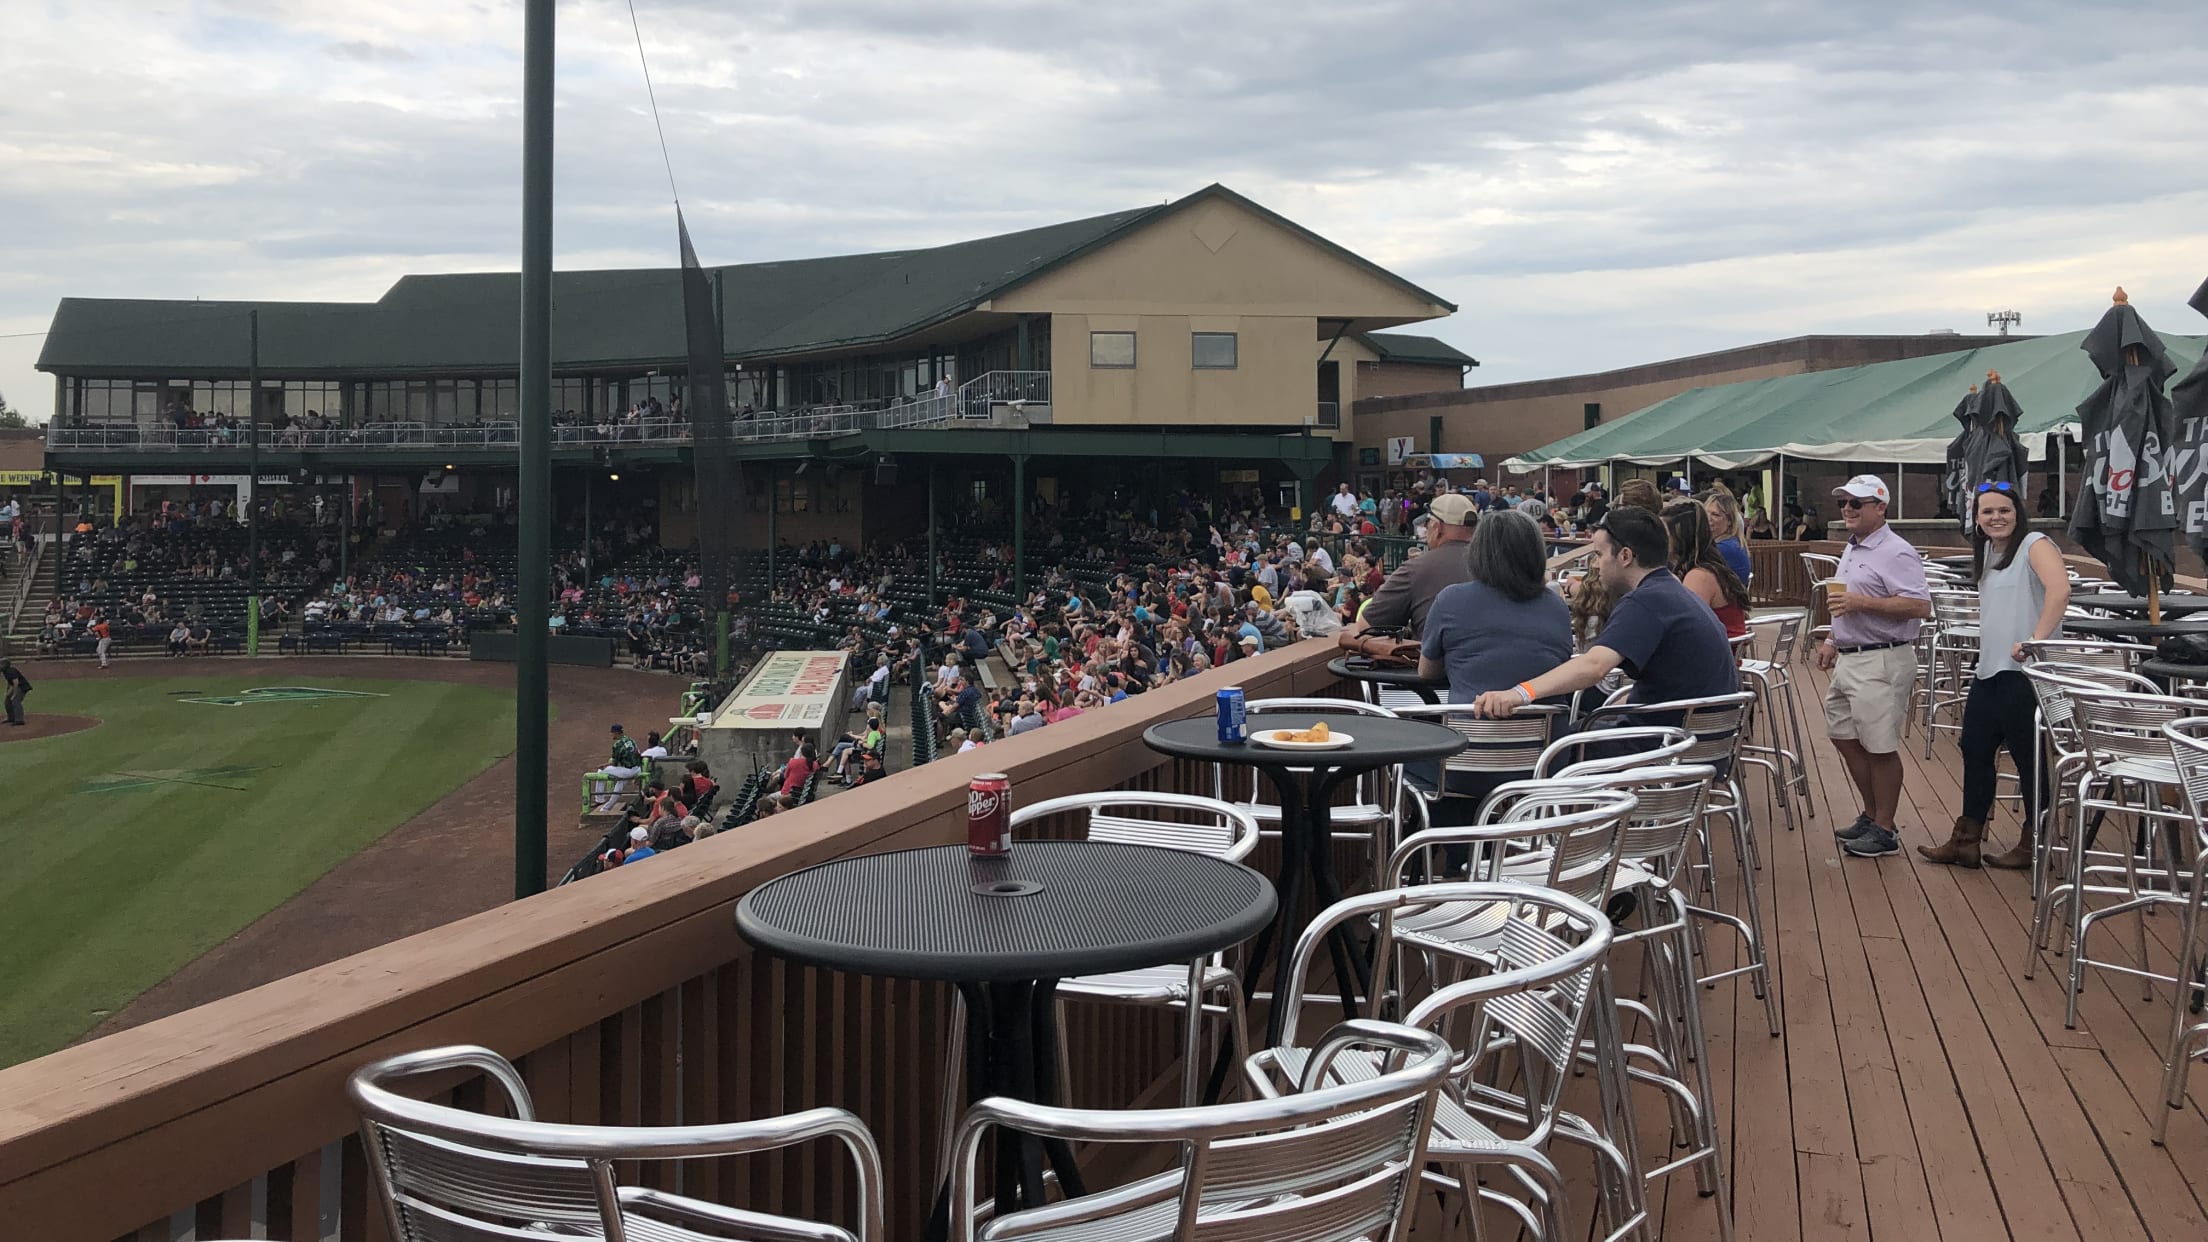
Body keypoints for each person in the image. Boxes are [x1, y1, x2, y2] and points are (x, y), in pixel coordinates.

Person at [1471, 506, 1737, 725]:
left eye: (1598, 554)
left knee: (1549, 749)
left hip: (1660, 746)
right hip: (1700, 743)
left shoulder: (1646, 601)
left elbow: (1594, 666)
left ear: (1625, 556)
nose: (1595, 565)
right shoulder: (1674, 591)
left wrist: (1519, 693)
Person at [1919, 481, 2069, 869]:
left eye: (2003, 510)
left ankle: (2037, 841)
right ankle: (1966, 839)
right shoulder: (1988, 551)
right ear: (1977, 519)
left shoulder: (2035, 543)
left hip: (2027, 673)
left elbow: (2059, 590)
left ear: (2018, 512)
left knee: (2028, 758)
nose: (1996, 517)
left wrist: (2035, 640)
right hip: (1990, 669)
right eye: (1987, 511)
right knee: (1974, 748)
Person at [1417, 511, 1575, 815]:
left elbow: (1427, 671)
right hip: (1543, 765)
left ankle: (1444, 851)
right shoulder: (1555, 606)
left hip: (1467, 762)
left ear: (1479, 553)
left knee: (1416, 762)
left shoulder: (1451, 600)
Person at [1818, 476, 1932, 859]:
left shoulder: (1896, 551)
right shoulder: (1854, 548)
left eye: (1857, 503)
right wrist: (1833, 639)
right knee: (1843, 735)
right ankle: (1872, 814)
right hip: (1853, 655)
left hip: (1883, 656)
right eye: (1843, 504)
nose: (1848, 510)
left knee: (1880, 746)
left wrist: (1861, 604)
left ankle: (1884, 828)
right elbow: (1844, 601)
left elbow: (1919, 606)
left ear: (1880, 507)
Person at [1339, 492, 1477, 650]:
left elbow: (1366, 626)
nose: (1426, 530)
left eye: (1427, 524)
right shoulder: (1497, 564)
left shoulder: (1416, 568)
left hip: (1439, 670)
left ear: (1437, 528)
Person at [1663, 500, 1751, 638]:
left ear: (1679, 537)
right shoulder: (1709, 566)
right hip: (1723, 652)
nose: (1659, 539)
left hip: (1717, 656)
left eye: (1665, 534)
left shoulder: (1699, 576)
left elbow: (1687, 629)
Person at [1704, 490, 1754, 585]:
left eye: (1715, 515)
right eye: (1706, 513)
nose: (1708, 518)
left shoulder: (1726, 547)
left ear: (1730, 521)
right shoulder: (1731, 542)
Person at [2, 659, 30, 726]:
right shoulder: (5, 672)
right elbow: (11, 684)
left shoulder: (11, 671)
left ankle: (19, 720)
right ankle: (11, 717)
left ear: (5, 665)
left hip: (22, 687)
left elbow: (16, 683)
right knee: (7, 701)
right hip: (15, 686)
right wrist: (9, 693)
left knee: (15, 701)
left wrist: (14, 694)